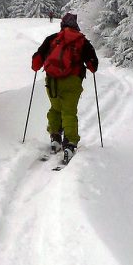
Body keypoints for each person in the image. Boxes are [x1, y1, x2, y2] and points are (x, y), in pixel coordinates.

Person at [31, 13, 99, 163]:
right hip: (72, 80)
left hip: (52, 80)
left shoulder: (52, 39)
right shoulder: (82, 41)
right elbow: (93, 65)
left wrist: (36, 66)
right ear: (76, 25)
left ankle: (55, 137)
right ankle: (70, 143)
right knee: (69, 111)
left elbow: (37, 61)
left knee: (55, 108)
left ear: (62, 25)